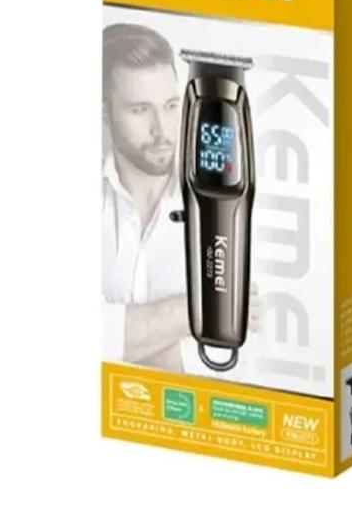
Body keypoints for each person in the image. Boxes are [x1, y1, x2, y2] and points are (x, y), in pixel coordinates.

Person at [101, 23, 259, 373]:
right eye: (139, 109)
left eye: (171, 106)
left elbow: (257, 349)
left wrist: (135, 331)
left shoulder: (263, 236)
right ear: (105, 114)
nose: (162, 129)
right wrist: (189, 313)